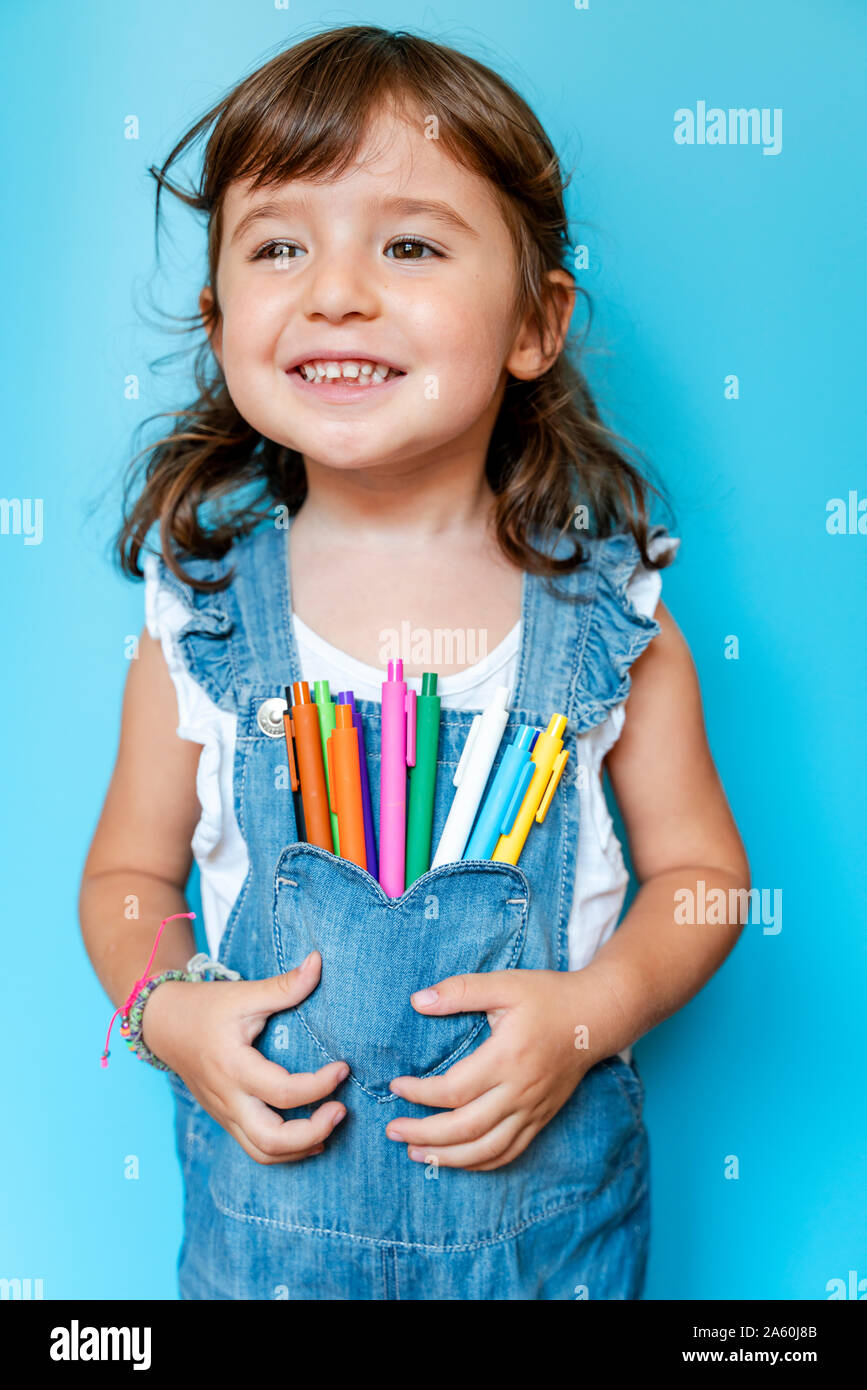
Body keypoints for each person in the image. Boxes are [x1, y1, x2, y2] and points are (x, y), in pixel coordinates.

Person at [79, 25, 750, 1300]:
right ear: (221, 321)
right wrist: (166, 1014)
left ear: (535, 324)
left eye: (410, 244)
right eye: (280, 245)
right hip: (265, 1252)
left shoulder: (616, 621)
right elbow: (124, 874)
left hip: (545, 1254)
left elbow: (707, 881)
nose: (335, 290)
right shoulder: (199, 627)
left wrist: (591, 1014)